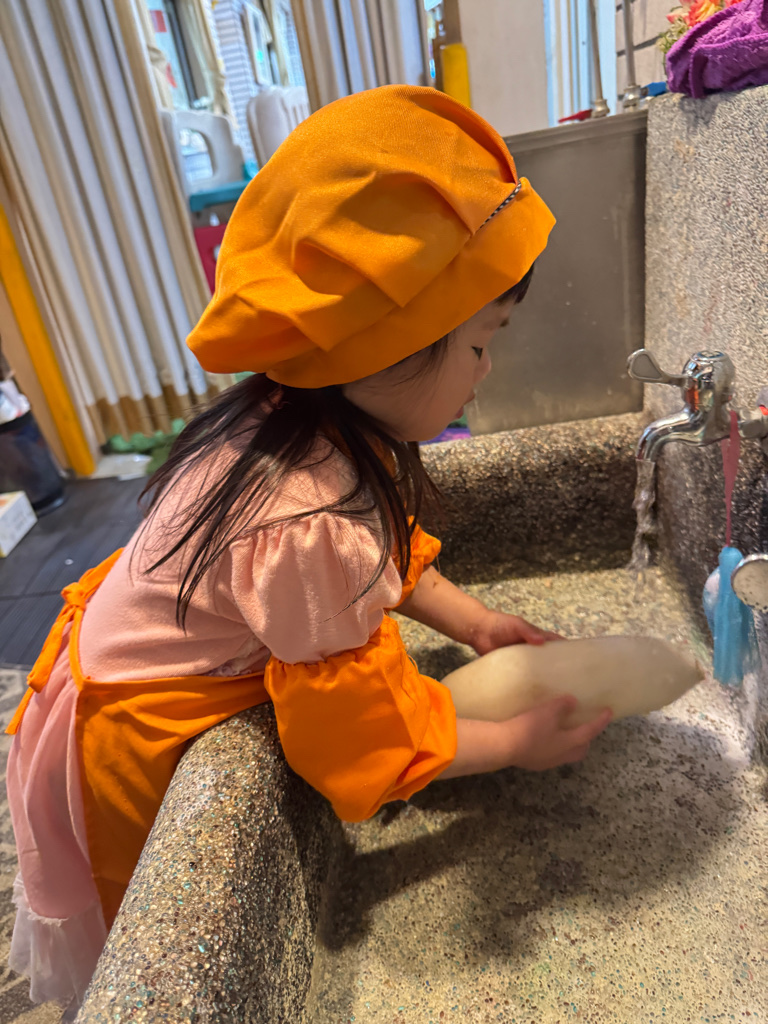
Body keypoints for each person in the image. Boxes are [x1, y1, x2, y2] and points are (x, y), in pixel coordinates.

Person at [4, 84, 612, 1015]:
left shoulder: (297, 409)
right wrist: (513, 744)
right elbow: (351, 735)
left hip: (90, 672)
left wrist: (476, 622)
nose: (488, 371)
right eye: (480, 343)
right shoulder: (308, 517)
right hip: (124, 738)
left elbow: (383, 559)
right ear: (389, 345)